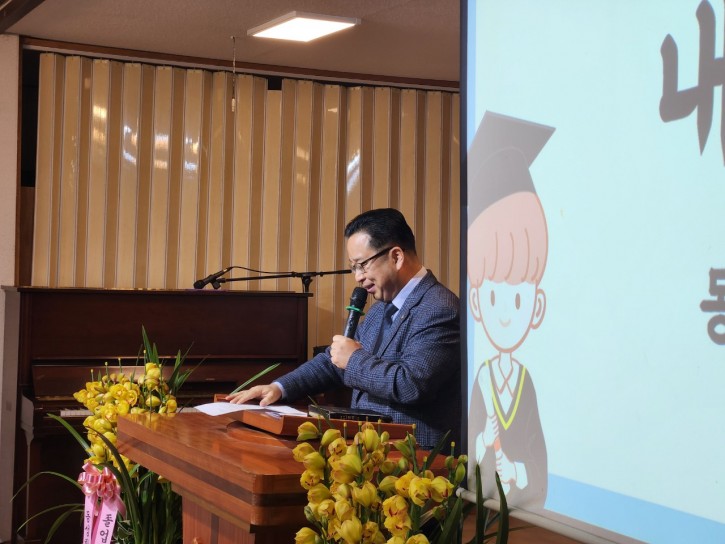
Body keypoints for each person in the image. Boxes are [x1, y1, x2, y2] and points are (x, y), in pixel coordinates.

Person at [227, 208, 461, 449]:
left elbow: (411, 384)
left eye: (363, 265)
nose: (358, 277)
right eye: (353, 267)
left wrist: (354, 358)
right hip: (368, 451)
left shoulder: (439, 308)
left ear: (396, 257)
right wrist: (278, 388)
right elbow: (334, 362)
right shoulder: (381, 308)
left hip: (415, 458)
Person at [467, 111, 553, 509]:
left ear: (537, 306)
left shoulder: (527, 382)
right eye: (492, 297)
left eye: (517, 299)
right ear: (476, 301)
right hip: (483, 503)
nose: (504, 314)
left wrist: (518, 470)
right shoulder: (481, 378)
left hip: (522, 509)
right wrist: (484, 441)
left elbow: (537, 451)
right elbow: (472, 443)